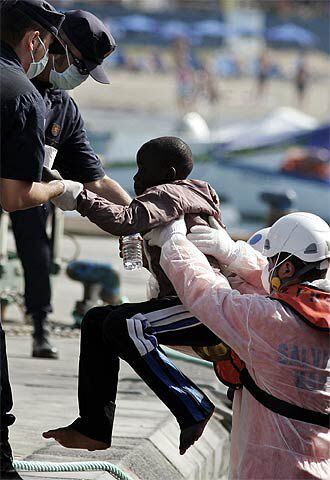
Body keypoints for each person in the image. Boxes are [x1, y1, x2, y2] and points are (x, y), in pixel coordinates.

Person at [42, 136, 226, 455]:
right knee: (98, 320)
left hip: (202, 306)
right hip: (187, 303)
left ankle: (192, 406)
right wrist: (146, 254)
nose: (136, 178)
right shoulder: (190, 196)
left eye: (143, 169)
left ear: (168, 173)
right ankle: (94, 427)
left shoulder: (170, 193)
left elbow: (124, 220)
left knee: (124, 325)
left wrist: (76, 195)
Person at [144, 212, 330, 479]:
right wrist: (232, 254)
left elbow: (206, 294)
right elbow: (271, 288)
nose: (268, 268)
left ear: (287, 268)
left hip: (269, 470)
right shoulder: (312, 316)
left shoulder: (269, 320)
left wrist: (173, 242)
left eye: (272, 261)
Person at [8, 9, 131, 360]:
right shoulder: (12, 86)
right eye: (81, 67)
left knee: (37, 249)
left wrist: (136, 220)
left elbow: (95, 179)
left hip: (32, 193)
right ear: (57, 48)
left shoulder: (64, 110)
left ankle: (40, 322)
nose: (81, 77)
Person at [0, 1, 75, 477]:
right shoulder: (21, 94)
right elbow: (15, 195)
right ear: (33, 40)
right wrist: (60, 187)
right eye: (46, 45)